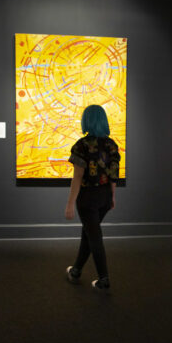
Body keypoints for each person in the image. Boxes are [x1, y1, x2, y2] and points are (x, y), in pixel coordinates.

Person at [64, 104, 120, 291]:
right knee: (89, 233)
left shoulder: (81, 146)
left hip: (87, 199)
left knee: (94, 236)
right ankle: (76, 270)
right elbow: (113, 174)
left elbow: (77, 177)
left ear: (86, 120)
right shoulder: (111, 144)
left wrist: (70, 204)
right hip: (104, 196)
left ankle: (104, 279)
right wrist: (112, 197)